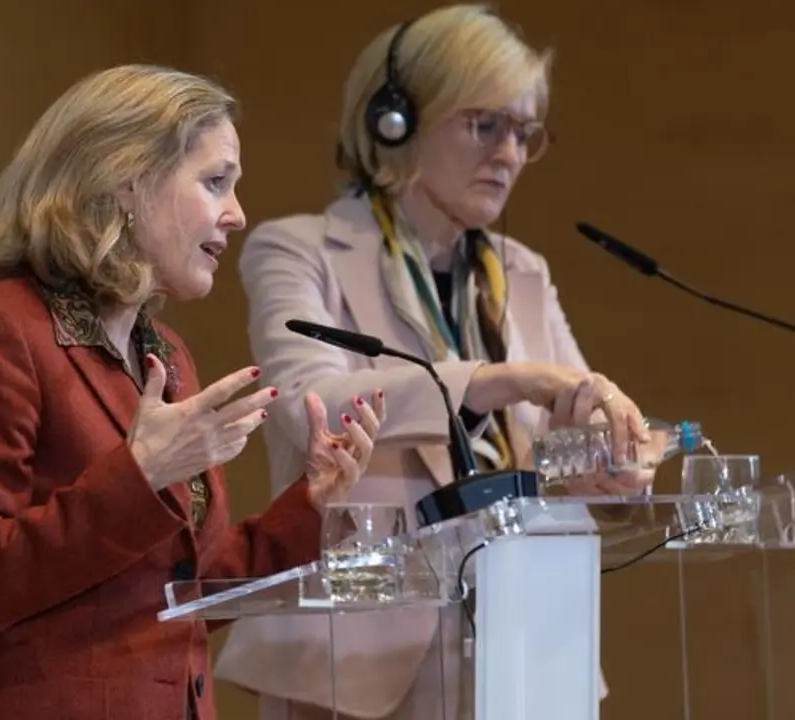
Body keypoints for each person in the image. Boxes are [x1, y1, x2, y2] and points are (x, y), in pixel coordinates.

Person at [0, 64, 394, 720]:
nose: (238, 214)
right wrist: (139, 476)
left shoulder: (164, 353)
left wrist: (312, 506)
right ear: (127, 182)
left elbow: (181, 591)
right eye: (215, 182)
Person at [215, 5, 654, 719]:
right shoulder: (297, 249)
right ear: (397, 121)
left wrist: (613, 461)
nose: (510, 153)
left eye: (525, 132)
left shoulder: (523, 271)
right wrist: (498, 381)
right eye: (485, 125)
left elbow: (568, 424)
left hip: (521, 643)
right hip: (355, 658)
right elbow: (308, 405)